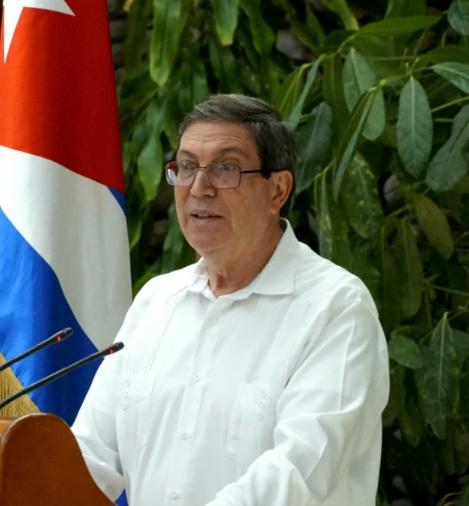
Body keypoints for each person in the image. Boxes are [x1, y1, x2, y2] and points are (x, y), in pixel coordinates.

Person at [71, 94, 390, 506]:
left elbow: (297, 473)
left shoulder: (337, 308)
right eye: (187, 167)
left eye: (226, 169)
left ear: (278, 190)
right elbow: (89, 458)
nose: (199, 188)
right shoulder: (156, 301)